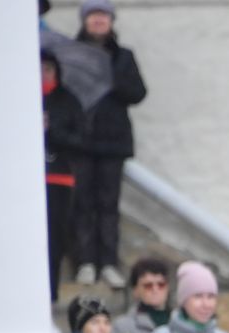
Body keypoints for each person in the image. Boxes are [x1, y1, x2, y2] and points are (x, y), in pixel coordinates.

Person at [68, 0, 147, 288]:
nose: (99, 21)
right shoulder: (73, 55)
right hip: (80, 142)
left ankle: (109, 263)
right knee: (82, 202)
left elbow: (138, 93)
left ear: (111, 21)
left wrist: (111, 79)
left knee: (108, 204)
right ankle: (85, 262)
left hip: (112, 143)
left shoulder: (123, 57)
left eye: (103, 16)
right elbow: (65, 93)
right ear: (85, 21)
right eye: (93, 16)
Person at [41, 49, 83, 301]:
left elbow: (79, 140)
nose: (42, 74)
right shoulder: (17, 97)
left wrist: (50, 129)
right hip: (25, 182)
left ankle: (51, 291)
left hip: (57, 178)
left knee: (55, 238)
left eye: (47, 69)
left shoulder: (66, 100)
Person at [114, 257, 172, 333]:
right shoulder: (122, 327)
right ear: (135, 290)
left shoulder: (180, 323)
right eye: (148, 285)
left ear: (168, 287)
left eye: (161, 285)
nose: (155, 290)